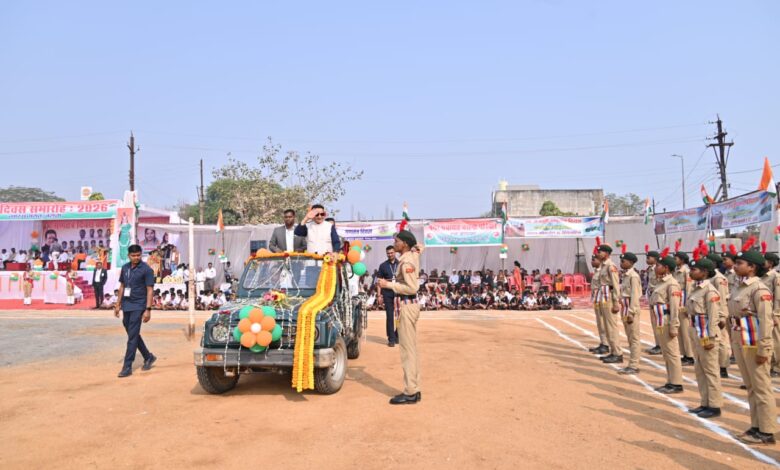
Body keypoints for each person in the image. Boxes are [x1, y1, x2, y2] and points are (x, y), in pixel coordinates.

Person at [729, 248, 776, 445]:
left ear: (752, 267)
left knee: (761, 387)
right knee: (751, 386)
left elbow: (766, 321)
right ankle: (756, 426)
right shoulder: (739, 287)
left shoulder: (759, 290)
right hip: (741, 339)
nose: (735, 266)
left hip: (754, 342)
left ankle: (767, 431)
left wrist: (764, 349)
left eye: (740, 263)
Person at [377, 229, 421, 405]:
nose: (394, 244)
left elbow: (412, 288)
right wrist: (416, 248)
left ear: (405, 244)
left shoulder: (406, 262)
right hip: (409, 305)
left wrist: (388, 284)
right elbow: (420, 247)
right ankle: (414, 388)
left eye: (397, 241)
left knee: (407, 351)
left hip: (407, 305)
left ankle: (411, 392)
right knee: (411, 350)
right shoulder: (412, 255)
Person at [686, 256, 723, 419]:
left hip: (706, 333)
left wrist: (711, 338)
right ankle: (705, 402)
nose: (691, 272)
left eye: (694, 270)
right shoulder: (696, 288)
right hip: (696, 331)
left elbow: (714, 316)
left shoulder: (710, 291)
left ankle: (714, 405)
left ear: (705, 272)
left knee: (710, 370)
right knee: (700, 369)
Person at [114, 244, 157, 378]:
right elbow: (122, 286)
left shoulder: (147, 270)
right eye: (133, 255)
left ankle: (127, 366)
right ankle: (148, 356)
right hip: (126, 304)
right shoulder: (125, 268)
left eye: (138, 255)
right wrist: (117, 304)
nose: (136, 257)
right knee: (132, 333)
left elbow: (150, 290)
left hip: (139, 305)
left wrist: (148, 309)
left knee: (132, 336)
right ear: (128, 256)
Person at [650, 251, 684, 394]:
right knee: (666, 353)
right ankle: (670, 381)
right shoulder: (661, 282)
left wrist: (674, 326)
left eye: (658, 265)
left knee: (672, 353)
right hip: (659, 320)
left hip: (666, 320)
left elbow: (675, 307)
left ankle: (676, 383)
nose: (655, 267)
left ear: (666, 268)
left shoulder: (672, 284)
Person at [707, 252, 732, 379]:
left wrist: (722, 316)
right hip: (710, 312)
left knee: (721, 340)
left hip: (718, 313)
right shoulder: (710, 276)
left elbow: (722, 299)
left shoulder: (718, 279)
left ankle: (723, 367)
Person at [617, 250, 642, 375]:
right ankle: (632, 363)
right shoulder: (626, 275)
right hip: (625, 309)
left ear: (631, 262)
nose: (621, 263)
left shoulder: (633, 276)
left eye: (623, 261)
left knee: (634, 338)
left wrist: (631, 313)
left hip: (631, 310)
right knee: (629, 337)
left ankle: (634, 365)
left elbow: (635, 296)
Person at [597, 244, 622, 364]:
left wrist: (616, 302)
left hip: (610, 297)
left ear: (606, 253)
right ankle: (613, 351)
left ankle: (617, 353)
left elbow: (615, 284)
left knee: (611, 326)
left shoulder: (610, 266)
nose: (598, 254)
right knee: (607, 326)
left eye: (600, 252)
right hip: (604, 296)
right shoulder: (603, 265)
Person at [674, 250, 695, 366]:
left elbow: (689, 289)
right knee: (680, 330)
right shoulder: (676, 271)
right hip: (677, 302)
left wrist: (687, 306)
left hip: (683, 303)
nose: (674, 260)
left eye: (676, 258)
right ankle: (684, 354)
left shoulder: (687, 271)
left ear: (682, 260)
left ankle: (690, 355)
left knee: (685, 330)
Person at [761, 252, 780, 378]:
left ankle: (777, 367)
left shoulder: (775, 277)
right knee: (767, 339)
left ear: (770, 263)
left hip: (774, 313)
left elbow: (778, 297)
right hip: (764, 313)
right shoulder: (762, 276)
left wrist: (776, 314)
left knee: (776, 340)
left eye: (764, 261)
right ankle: (770, 364)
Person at [377, 245, 400, 347]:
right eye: (388, 253)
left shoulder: (400, 264)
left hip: (399, 293)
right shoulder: (383, 266)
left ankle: (397, 335)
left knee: (400, 316)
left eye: (391, 253)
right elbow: (379, 281)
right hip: (387, 293)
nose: (390, 255)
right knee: (390, 316)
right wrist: (379, 295)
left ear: (395, 253)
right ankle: (391, 339)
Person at [588, 254, 608, 355]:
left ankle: (606, 344)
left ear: (600, 261)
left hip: (602, 300)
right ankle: (603, 342)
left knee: (603, 323)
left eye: (594, 260)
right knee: (600, 323)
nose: (592, 261)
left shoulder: (602, 272)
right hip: (596, 299)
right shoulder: (596, 271)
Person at [644, 250, 663, 355]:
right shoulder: (651, 269)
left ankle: (661, 345)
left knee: (659, 322)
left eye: (649, 258)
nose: (647, 260)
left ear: (655, 259)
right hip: (652, 296)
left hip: (658, 297)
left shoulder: (659, 269)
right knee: (654, 322)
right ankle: (658, 344)